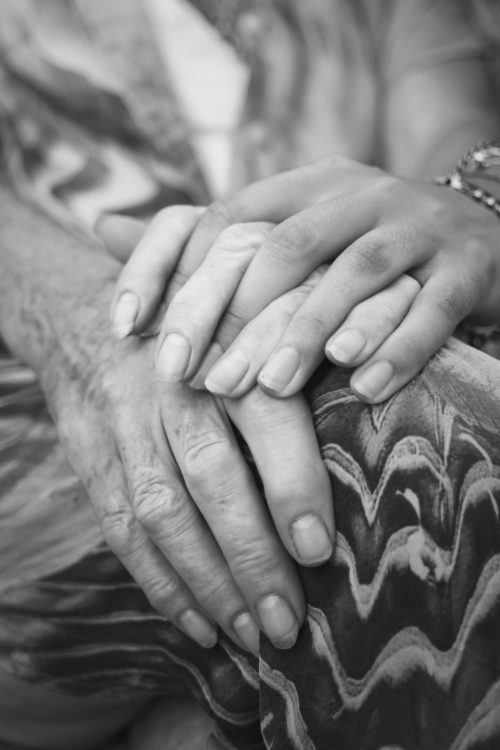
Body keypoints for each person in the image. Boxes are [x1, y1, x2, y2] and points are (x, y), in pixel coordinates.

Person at [1, 1, 500, 749]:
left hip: (328, 360)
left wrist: (465, 206)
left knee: (402, 409)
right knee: (383, 451)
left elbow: (444, 158)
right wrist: (93, 321)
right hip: (43, 401)